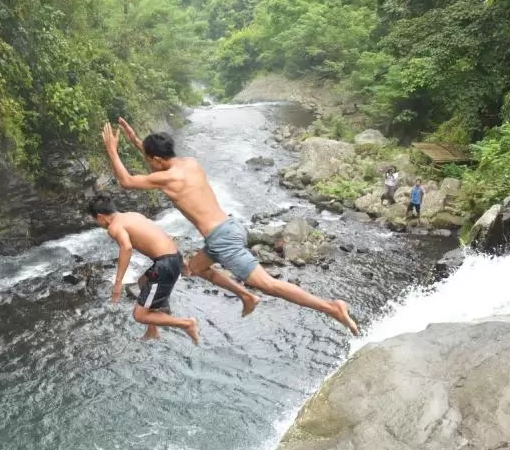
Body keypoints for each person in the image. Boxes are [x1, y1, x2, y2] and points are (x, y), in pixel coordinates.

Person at [102, 120, 359, 335]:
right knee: (194, 268)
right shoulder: (189, 163)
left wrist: (112, 149)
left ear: (156, 159)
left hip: (222, 240)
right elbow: (159, 163)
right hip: (228, 228)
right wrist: (138, 142)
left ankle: (332, 307)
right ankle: (246, 297)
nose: (149, 163)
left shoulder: (167, 178)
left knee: (270, 285)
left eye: (148, 158)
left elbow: (126, 181)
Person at [88, 195, 199, 344]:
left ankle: (186, 324)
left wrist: (118, 283)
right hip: (172, 257)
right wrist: (182, 260)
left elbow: (126, 248)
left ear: (101, 217)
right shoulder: (133, 215)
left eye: (95, 220)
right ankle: (153, 329)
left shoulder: (114, 227)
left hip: (165, 264)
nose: (97, 223)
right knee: (142, 282)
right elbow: (159, 234)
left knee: (139, 315)